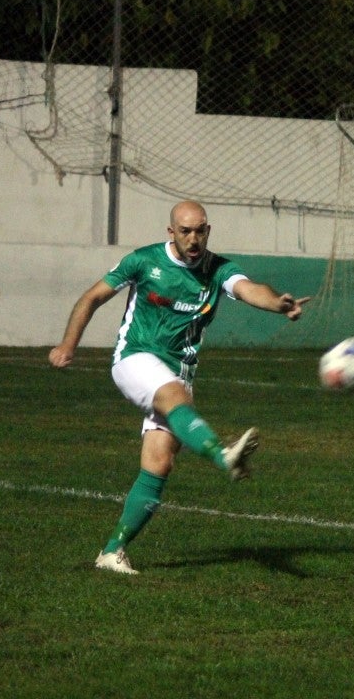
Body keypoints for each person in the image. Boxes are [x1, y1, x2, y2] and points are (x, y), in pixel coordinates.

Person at [49, 200, 311, 575]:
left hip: (178, 372)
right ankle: (224, 457)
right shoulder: (143, 261)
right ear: (170, 232)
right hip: (135, 358)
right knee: (174, 396)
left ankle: (112, 552)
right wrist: (68, 345)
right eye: (185, 231)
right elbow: (93, 297)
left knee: (160, 462)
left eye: (200, 230)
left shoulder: (217, 269)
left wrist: (277, 303)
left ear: (208, 231)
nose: (193, 238)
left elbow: (251, 289)